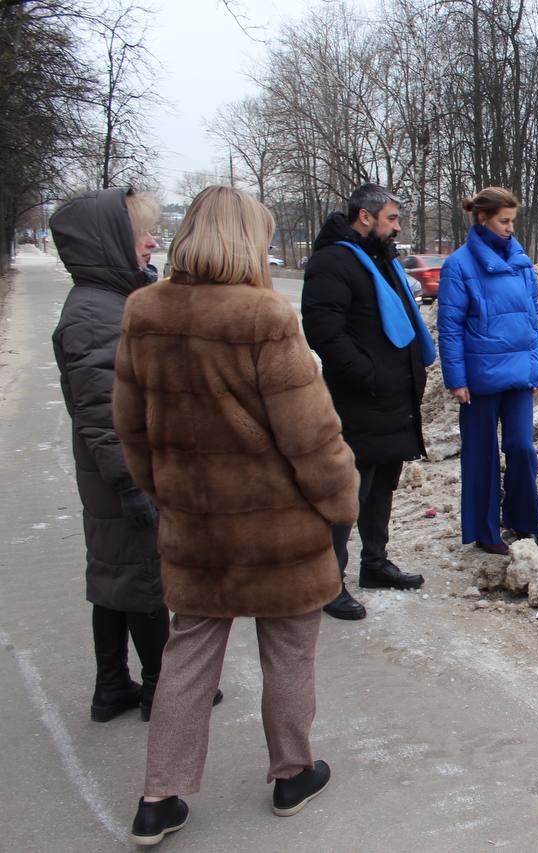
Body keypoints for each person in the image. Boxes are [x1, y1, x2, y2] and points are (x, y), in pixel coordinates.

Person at [114, 186, 359, 845]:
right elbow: (310, 435)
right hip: (278, 528)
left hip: (197, 526)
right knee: (288, 651)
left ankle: (157, 797)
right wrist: (341, 504)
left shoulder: (144, 312)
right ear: (248, 240)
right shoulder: (265, 316)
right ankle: (291, 774)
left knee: (189, 653)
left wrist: (167, 495)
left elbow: (130, 429)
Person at [49, 187, 189, 723]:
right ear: (110, 243)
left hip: (109, 471)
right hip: (123, 472)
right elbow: (103, 413)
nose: (153, 242)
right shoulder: (95, 313)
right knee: (143, 576)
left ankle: (112, 686)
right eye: (141, 235)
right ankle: (162, 687)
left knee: (113, 575)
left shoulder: (105, 302)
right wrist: (134, 485)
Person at [301, 184, 437, 620]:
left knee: (383, 486)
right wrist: (369, 375)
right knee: (349, 491)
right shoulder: (333, 262)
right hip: (361, 400)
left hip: (395, 399)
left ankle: (374, 564)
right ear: (366, 216)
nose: (398, 228)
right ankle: (328, 583)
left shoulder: (383, 259)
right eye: (392, 219)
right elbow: (324, 331)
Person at [437, 187, 538, 555]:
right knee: (481, 455)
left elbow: (533, 321)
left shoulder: (521, 262)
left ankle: (524, 521)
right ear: (482, 218)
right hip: (479, 379)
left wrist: (535, 370)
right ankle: (486, 532)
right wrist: (456, 378)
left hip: (518, 375)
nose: (510, 228)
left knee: (522, 448)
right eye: (504, 221)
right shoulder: (459, 266)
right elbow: (449, 327)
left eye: (513, 221)